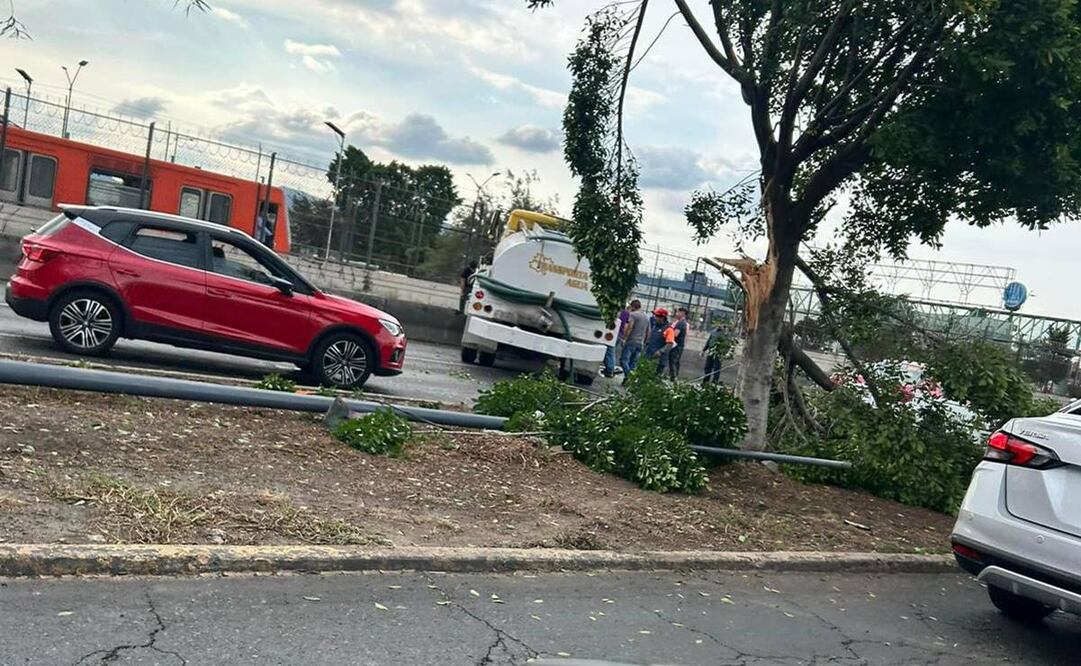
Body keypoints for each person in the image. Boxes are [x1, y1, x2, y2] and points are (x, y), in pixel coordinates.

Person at [619, 299, 649, 381]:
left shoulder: (633, 315)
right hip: (640, 343)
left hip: (631, 341)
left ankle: (629, 377)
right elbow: (648, 331)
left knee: (623, 360)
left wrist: (624, 339)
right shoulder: (647, 317)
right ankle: (627, 380)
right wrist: (645, 341)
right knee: (633, 363)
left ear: (632, 307)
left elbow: (629, 327)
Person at [645, 308, 676, 377]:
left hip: (658, 361)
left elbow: (670, 343)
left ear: (662, 317)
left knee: (653, 379)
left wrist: (660, 351)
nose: (655, 318)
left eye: (657, 316)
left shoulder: (669, 329)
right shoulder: (655, 326)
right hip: (649, 356)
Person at [603, 304, 630, 377]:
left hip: (614, 333)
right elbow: (626, 326)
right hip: (620, 334)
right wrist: (624, 338)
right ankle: (609, 368)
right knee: (611, 351)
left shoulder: (616, 312)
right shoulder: (626, 313)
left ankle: (610, 369)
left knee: (610, 351)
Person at [668, 307, 689, 381]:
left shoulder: (681, 323)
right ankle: (674, 376)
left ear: (683, 313)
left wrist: (668, 334)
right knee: (675, 361)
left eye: (678, 312)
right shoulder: (679, 322)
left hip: (677, 345)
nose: (676, 314)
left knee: (673, 361)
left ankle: (673, 377)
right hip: (678, 345)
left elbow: (676, 334)